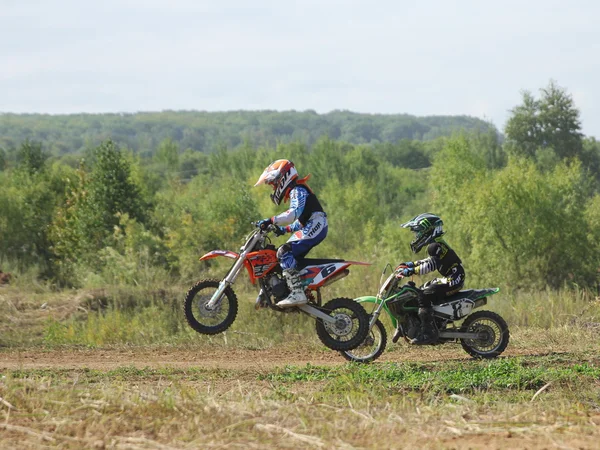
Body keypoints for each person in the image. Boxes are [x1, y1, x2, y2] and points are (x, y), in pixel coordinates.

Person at [255, 159, 328, 307]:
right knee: (284, 255)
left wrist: (270, 220)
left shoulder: (297, 190)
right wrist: (283, 229)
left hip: (317, 224)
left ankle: (297, 292)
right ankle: (290, 288)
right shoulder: (296, 191)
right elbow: (299, 222)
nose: (273, 188)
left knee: (284, 252)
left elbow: (292, 214)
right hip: (313, 224)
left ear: (283, 178)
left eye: (273, 183)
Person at [398, 213, 465, 345]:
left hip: (454, 278)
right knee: (422, 290)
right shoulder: (436, 245)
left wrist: (411, 270)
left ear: (428, 231)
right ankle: (436, 323)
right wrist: (412, 264)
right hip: (453, 276)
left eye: (419, 232)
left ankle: (428, 333)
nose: (417, 236)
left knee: (424, 295)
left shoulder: (436, 245)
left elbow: (431, 265)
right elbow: (430, 260)